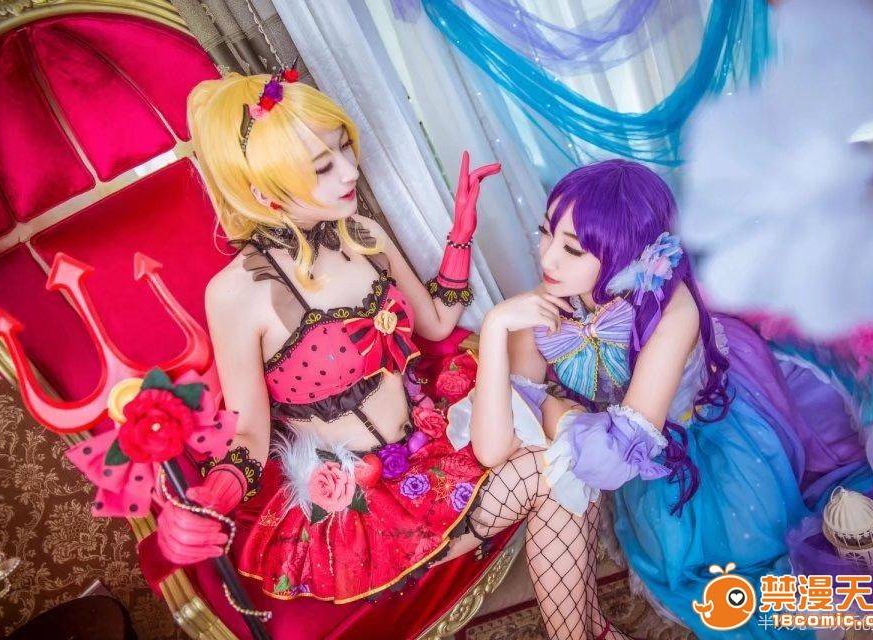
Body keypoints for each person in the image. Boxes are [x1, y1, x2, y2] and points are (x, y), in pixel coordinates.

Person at [153, 70, 628, 640]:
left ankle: (591, 631)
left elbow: (435, 321)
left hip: (430, 445)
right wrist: (212, 496)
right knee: (560, 469)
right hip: (363, 506)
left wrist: (461, 230)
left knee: (565, 461)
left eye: (344, 147)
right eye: (322, 166)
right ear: (263, 193)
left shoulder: (361, 233)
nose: (350, 171)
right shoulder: (235, 294)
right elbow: (250, 430)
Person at [462, 159, 873, 639]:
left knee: (734, 568)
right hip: (622, 444)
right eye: (545, 233)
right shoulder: (538, 306)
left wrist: (553, 413)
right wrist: (496, 325)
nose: (547, 259)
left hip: (701, 440)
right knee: (566, 483)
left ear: (623, 250)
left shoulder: (671, 311)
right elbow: (493, 448)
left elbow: (617, 457)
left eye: (571, 248)